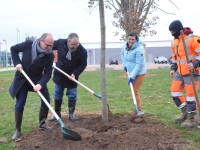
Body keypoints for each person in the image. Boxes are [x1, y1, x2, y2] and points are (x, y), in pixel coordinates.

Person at [9, 33, 55, 140]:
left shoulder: (50, 55)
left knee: (46, 100)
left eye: (51, 46)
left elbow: (48, 73)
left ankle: (42, 123)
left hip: (37, 79)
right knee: (20, 103)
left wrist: (40, 84)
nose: (49, 48)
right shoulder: (28, 45)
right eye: (47, 45)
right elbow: (13, 49)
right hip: (22, 79)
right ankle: (18, 130)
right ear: (41, 41)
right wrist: (17, 62)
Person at [169, 20, 200, 128]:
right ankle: (186, 112)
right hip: (180, 72)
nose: (172, 33)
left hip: (192, 72)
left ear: (178, 30)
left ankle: (191, 120)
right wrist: (173, 68)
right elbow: (174, 58)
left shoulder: (193, 39)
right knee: (174, 93)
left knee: (191, 97)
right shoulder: (174, 42)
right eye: (170, 32)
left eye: (173, 31)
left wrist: (195, 64)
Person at [49, 33, 87, 122]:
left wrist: (75, 73)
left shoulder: (82, 51)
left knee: (72, 95)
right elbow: (49, 47)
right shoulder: (60, 43)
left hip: (72, 76)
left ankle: (71, 114)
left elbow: (83, 64)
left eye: (77, 44)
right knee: (57, 94)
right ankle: (57, 114)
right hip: (59, 75)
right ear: (68, 41)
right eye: (73, 45)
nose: (75, 46)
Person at [121, 32, 146, 116]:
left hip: (139, 72)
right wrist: (125, 65)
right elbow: (123, 56)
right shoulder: (124, 46)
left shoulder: (140, 49)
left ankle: (138, 110)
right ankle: (136, 110)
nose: (131, 41)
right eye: (129, 39)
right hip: (130, 71)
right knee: (133, 92)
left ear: (136, 39)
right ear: (127, 39)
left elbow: (139, 64)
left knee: (135, 91)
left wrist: (132, 76)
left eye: (133, 39)